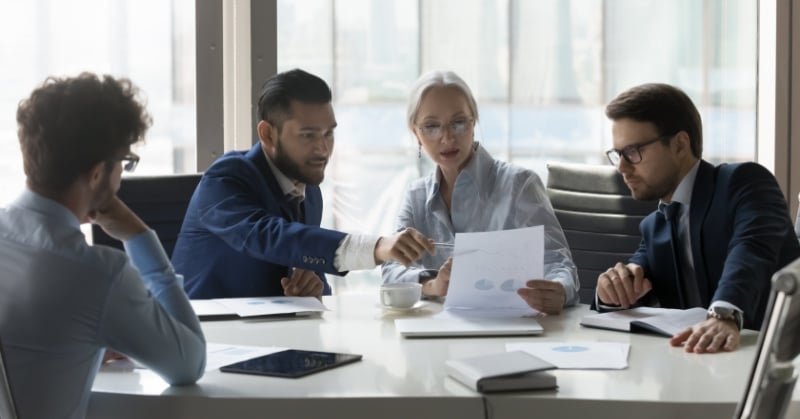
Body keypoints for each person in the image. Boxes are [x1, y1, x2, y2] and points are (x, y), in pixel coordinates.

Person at [0, 73, 206, 419]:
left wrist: (85, 341)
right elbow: (188, 364)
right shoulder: (98, 275)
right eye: (124, 163)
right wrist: (140, 237)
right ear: (97, 174)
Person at [172, 69, 433, 299]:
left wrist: (313, 288)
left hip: (269, 337)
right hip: (203, 337)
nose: (322, 148)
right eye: (308, 135)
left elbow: (307, 258)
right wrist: (376, 247)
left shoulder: (310, 195)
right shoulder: (226, 178)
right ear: (267, 134)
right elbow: (269, 236)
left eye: (329, 133)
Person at [596, 83, 800, 353]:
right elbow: (635, 278)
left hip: (776, 363)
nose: (622, 167)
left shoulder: (742, 183)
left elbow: (751, 249)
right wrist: (610, 291)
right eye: (618, 154)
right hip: (702, 366)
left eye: (633, 151)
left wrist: (724, 314)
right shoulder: (654, 226)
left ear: (680, 144)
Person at [381, 70, 580, 314]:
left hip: (508, 329)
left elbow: (559, 264)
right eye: (432, 126)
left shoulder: (520, 185)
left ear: (473, 122)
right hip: (437, 335)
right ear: (416, 134)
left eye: (458, 122)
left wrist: (558, 290)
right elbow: (391, 270)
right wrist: (433, 285)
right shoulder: (416, 196)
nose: (447, 137)